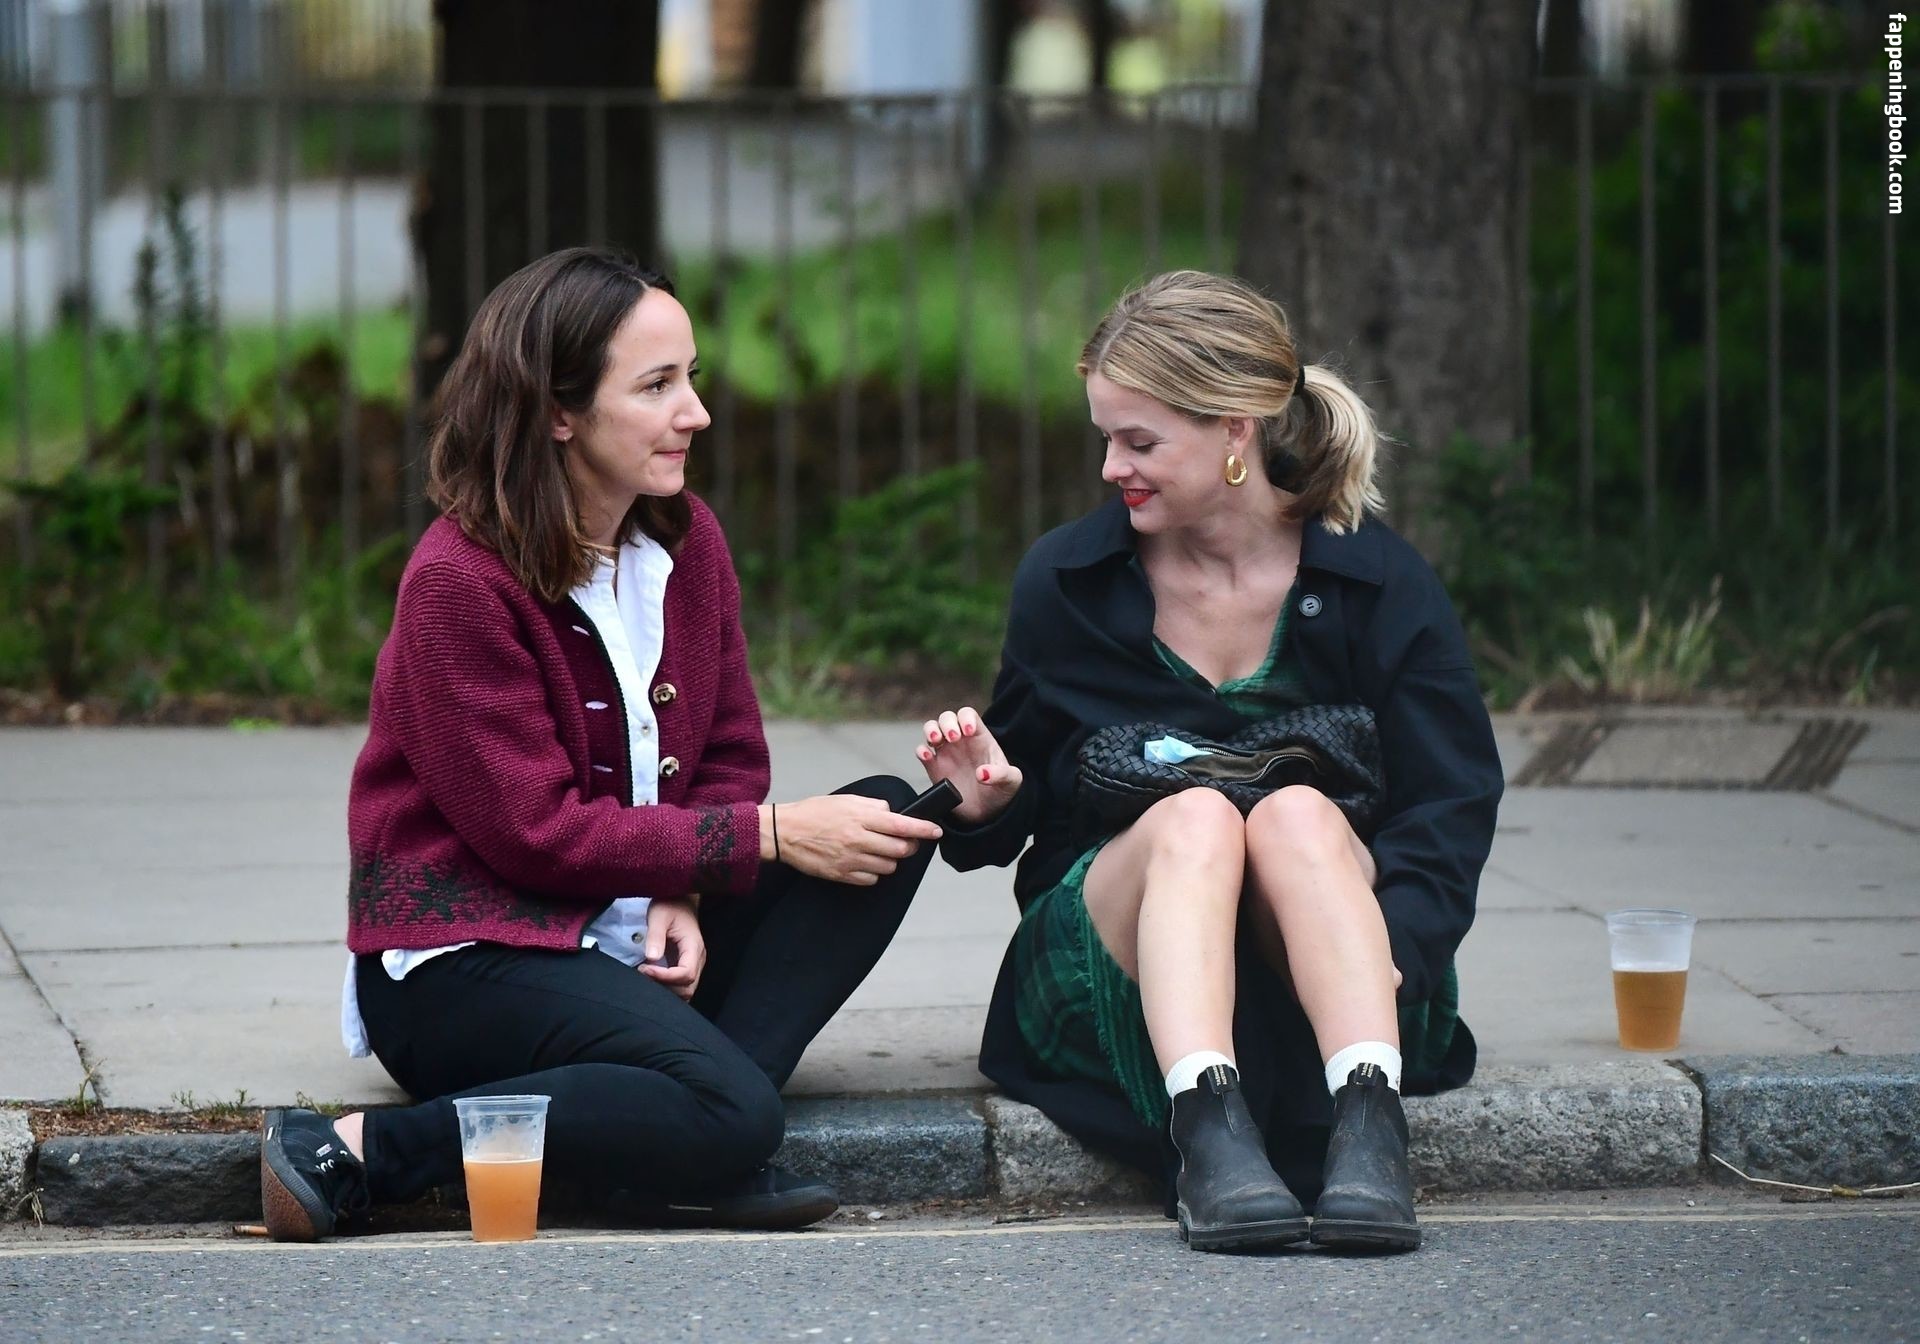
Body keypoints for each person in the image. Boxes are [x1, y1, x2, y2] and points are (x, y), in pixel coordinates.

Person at [259, 248, 945, 1242]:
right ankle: (367, 1150)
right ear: (558, 412)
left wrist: (686, 891)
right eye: (657, 386)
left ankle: (666, 1145)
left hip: (629, 931)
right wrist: (762, 836)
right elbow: (536, 834)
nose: (695, 413)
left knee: (882, 817)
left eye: (691, 378)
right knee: (740, 1106)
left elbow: (728, 755)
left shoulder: (687, 544)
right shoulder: (458, 584)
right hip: (474, 960)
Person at [915, 271, 1502, 1253]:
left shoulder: (1375, 581)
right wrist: (980, 800)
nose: (1112, 467)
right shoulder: (1069, 581)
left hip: (1334, 960)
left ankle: (1369, 1121)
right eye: (1107, 437)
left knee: (1295, 812)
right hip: (1117, 961)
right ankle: (1206, 1131)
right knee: (1195, 815)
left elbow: (1452, 795)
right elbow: (1020, 807)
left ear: (1235, 430)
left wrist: (1396, 946)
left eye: (1140, 442)